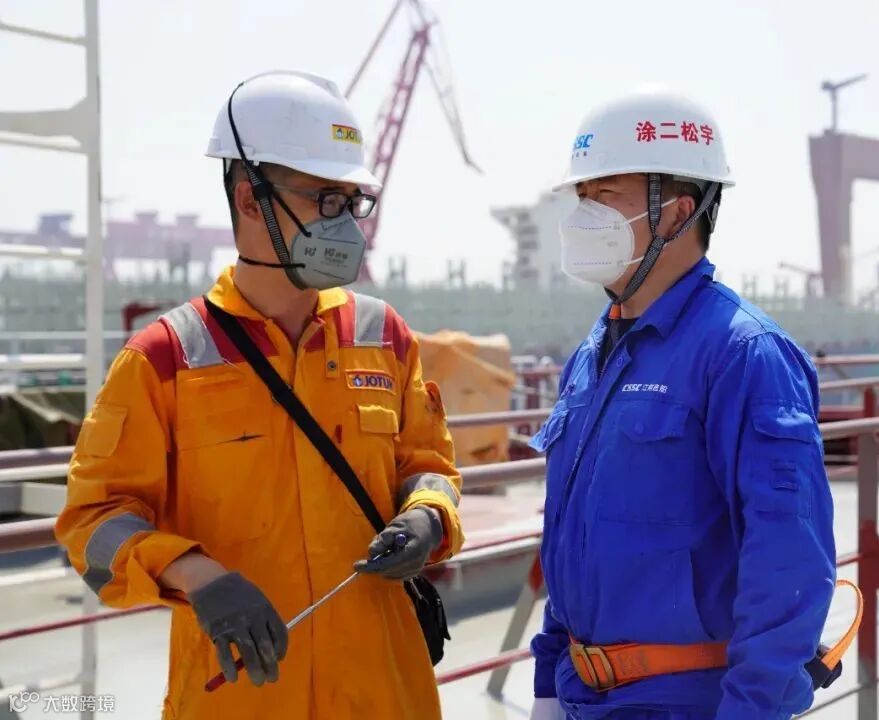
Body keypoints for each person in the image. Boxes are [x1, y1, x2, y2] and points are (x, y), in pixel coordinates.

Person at [56, 70, 463, 720]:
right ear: (250, 200)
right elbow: (92, 522)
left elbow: (429, 466)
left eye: (351, 202)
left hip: (384, 693)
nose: (344, 222)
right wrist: (198, 576)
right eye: (324, 199)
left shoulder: (383, 336)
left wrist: (427, 515)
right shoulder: (164, 358)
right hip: (241, 695)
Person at [528, 87, 836, 719]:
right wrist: (547, 688)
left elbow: (788, 563)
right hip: (583, 695)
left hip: (687, 702)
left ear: (676, 212)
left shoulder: (742, 354)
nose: (584, 214)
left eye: (606, 194)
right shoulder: (591, 356)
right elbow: (570, 538)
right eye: (582, 195)